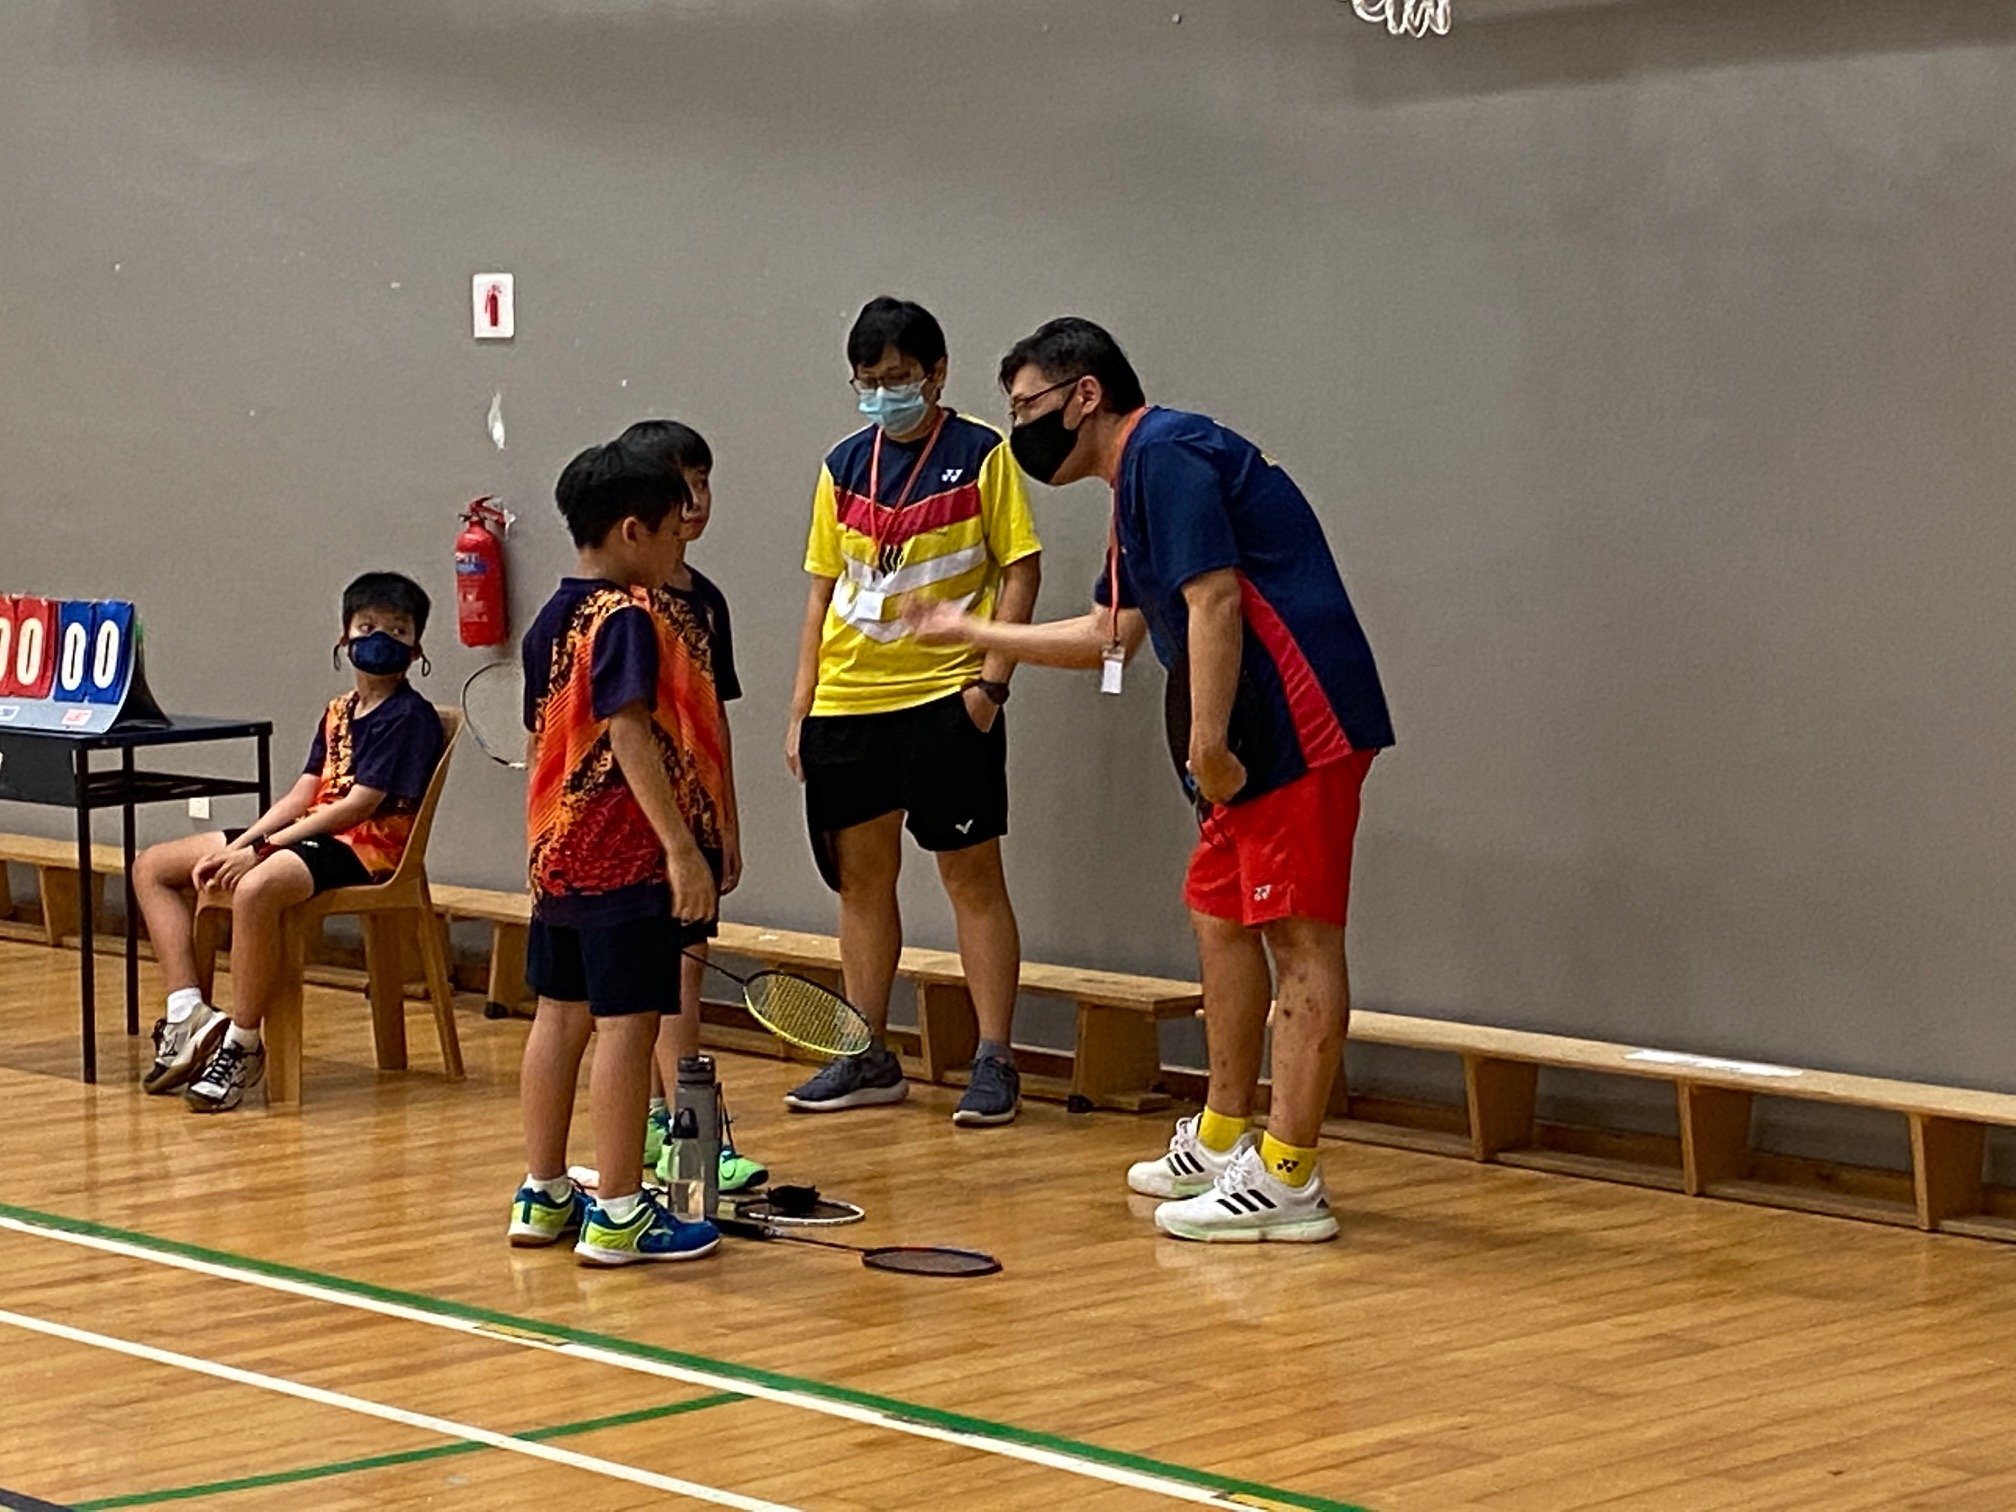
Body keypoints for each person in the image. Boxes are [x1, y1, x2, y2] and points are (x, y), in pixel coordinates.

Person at [909, 317, 1394, 1241]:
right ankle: (1222, 1136)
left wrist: (1208, 744)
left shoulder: (1168, 455)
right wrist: (972, 635)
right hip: (1243, 736)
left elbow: (1214, 599)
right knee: (1218, 916)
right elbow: (1110, 633)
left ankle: (1289, 1177)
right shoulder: (1133, 484)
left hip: (1295, 721)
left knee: (1299, 937)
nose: (1021, 429)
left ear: (1084, 394)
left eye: (1029, 406)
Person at [782, 296, 1043, 1126]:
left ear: (936, 374)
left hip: (945, 699)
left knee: (971, 879)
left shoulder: (982, 455)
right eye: (869, 381)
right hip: (847, 702)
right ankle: (867, 1055)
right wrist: (801, 708)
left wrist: (991, 684)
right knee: (862, 885)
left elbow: (1020, 570)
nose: (884, 394)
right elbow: (822, 591)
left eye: (899, 379)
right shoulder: (840, 465)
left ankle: (994, 1058)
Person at [506, 436, 725, 1265]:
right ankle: (622, 1210)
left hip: (554, 853)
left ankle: (544, 1190)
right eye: (673, 530)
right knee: (627, 1029)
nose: (681, 545)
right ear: (634, 531)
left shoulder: (550, 616)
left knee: (557, 1019)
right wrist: (682, 850)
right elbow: (629, 731)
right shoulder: (628, 617)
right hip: (623, 854)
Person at [131, 572, 445, 1113]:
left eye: (397, 629)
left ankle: (243, 1043)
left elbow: (357, 806)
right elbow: (306, 792)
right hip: (309, 833)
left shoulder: (409, 717)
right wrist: (249, 839)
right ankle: (187, 1011)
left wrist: (259, 853)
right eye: (368, 626)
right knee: (153, 866)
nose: (381, 638)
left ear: (416, 647)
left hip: (364, 848)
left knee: (255, 889)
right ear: (345, 637)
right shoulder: (338, 710)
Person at [618, 418, 766, 1195]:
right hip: (628, 828)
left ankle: (662, 1120)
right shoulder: (616, 605)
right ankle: (689, 1130)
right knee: (657, 983)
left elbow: (714, 718)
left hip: (694, 819)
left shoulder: (706, 602)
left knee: (676, 973)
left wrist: (727, 819)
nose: (697, 500)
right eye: (682, 485)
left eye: (705, 482)